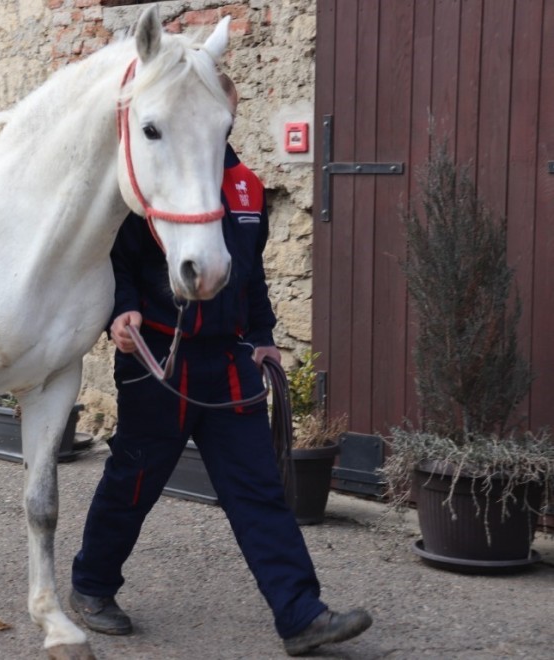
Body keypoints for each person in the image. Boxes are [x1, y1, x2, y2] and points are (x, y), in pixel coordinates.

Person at [69, 75, 372, 657]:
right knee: (134, 480)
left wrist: (262, 337)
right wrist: (122, 311)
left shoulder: (247, 187)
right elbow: (118, 261)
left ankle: (301, 615)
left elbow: (251, 274)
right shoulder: (154, 182)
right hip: (159, 360)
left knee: (259, 489)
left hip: (229, 363)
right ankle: (92, 585)